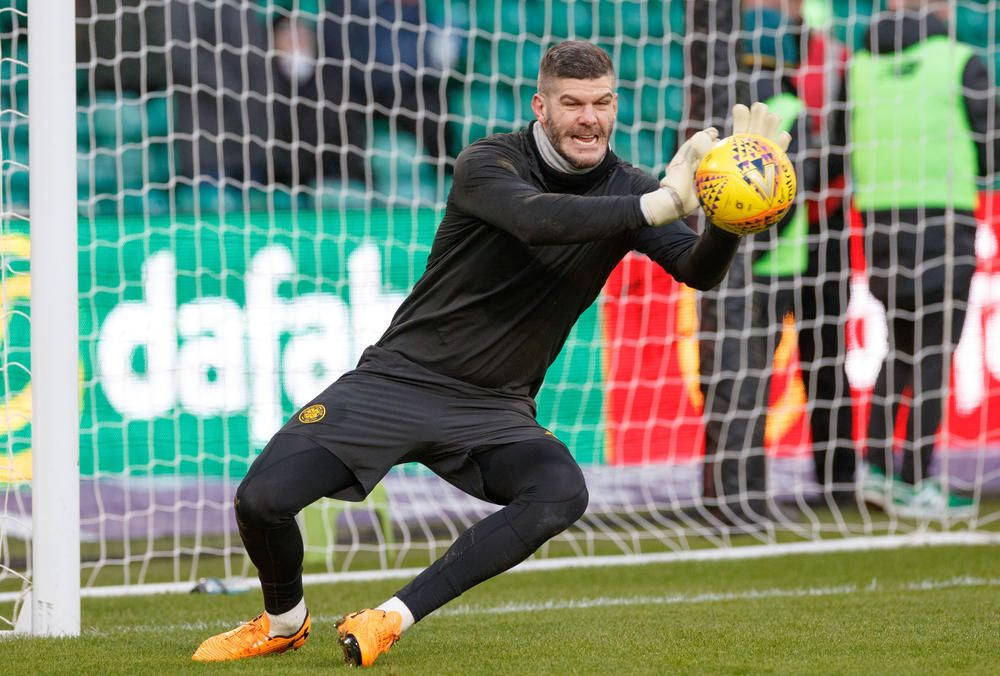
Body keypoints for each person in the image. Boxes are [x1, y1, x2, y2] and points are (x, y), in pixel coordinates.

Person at [191, 41, 789, 667]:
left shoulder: (632, 188)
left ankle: (389, 618)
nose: (590, 118)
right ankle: (284, 621)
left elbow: (697, 271)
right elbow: (538, 219)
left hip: (494, 409)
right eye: (573, 104)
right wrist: (662, 203)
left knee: (561, 491)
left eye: (603, 103)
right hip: (398, 380)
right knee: (261, 500)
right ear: (541, 106)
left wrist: (726, 212)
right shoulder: (489, 162)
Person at [699, 1, 855, 531]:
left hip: (732, 262)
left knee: (731, 380)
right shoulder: (788, 111)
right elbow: (796, 189)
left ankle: (726, 496)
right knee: (752, 383)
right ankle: (747, 499)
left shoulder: (723, 116)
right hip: (777, 265)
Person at [846, 0, 998, 518]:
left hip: (882, 225)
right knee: (935, 352)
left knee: (900, 346)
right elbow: (992, 144)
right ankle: (914, 480)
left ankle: (874, 469)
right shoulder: (959, 60)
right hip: (944, 219)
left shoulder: (859, 64)